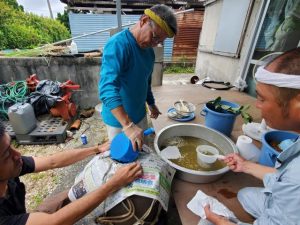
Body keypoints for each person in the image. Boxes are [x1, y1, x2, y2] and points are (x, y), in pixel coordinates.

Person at [204, 47, 300, 225]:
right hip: (287, 202)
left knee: (205, 223)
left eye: (262, 99)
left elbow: (293, 182)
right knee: (244, 194)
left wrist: (221, 222)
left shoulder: (297, 179)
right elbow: (285, 180)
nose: (257, 105)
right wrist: (246, 166)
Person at [0, 121, 142, 225]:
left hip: (21, 216)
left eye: (11, 146)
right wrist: (113, 184)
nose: (17, 153)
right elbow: (54, 222)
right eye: (6, 154)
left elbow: (52, 161)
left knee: (74, 193)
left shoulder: (13, 164)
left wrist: (96, 149)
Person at [99, 4, 177, 150]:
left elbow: (145, 81)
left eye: (160, 42)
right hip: (119, 122)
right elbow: (107, 89)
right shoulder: (118, 44)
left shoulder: (149, 52)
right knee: (125, 162)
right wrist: (127, 126)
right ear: (144, 20)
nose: (155, 43)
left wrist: (151, 103)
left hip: (139, 115)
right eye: (155, 37)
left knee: (143, 155)